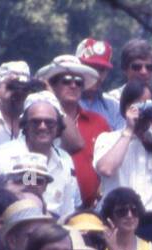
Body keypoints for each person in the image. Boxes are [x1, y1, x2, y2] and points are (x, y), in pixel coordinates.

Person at [93, 83, 152, 250]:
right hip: (121, 223)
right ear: (124, 110)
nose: (143, 111)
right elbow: (106, 169)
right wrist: (129, 130)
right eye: (138, 106)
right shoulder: (108, 139)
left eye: (148, 105)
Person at [0, 92, 80, 219]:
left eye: (49, 122)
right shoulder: (2, 157)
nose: (42, 127)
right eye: (36, 122)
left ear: (58, 126)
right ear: (25, 124)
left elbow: (67, 211)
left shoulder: (65, 161)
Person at [39, 54, 110, 209]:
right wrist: (53, 102)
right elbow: (76, 143)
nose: (73, 86)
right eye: (66, 81)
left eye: (78, 82)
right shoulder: (39, 121)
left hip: (92, 211)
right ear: (51, 86)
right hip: (50, 207)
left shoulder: (98, 122)